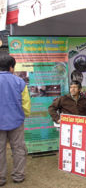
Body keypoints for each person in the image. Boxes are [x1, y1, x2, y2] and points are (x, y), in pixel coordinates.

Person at [0, 54, 31, 186]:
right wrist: (25, 115)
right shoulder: (20, 82)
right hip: (17, 121)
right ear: (11, 67)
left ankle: (1, 178)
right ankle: (18, 176)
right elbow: (26, 103)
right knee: (18, 148)